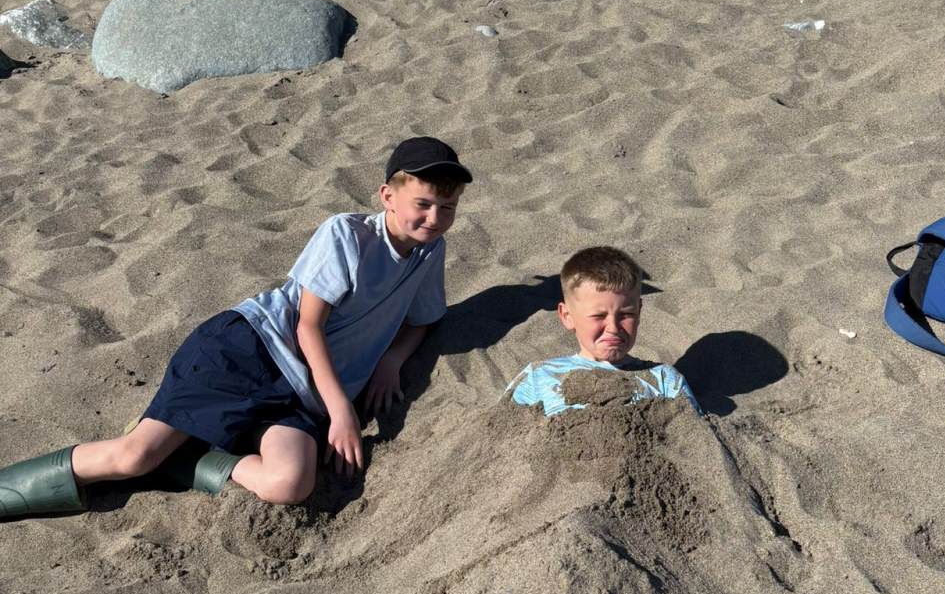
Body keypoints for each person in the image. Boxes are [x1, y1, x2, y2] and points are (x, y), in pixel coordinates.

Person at [0, 136, 471, 518]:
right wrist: (342, 411)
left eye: (447, 208)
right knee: (134, 458)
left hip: (300, 396)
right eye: (423, 203)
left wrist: (391, 361)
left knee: (289, 484)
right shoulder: (345, 234)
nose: (434, 218)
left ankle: (187, 455)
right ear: (387, 196)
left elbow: (424, 319)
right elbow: (307, 328)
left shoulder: (430, 250)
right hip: (249, 350)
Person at [507, 245, 701, 417]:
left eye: (626, 315)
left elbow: (696, 436)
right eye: (598, 316)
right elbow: (500, 434)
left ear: (639, 311)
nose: (613, 328)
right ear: (567, 316)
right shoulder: (538, 377)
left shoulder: (664, 379)